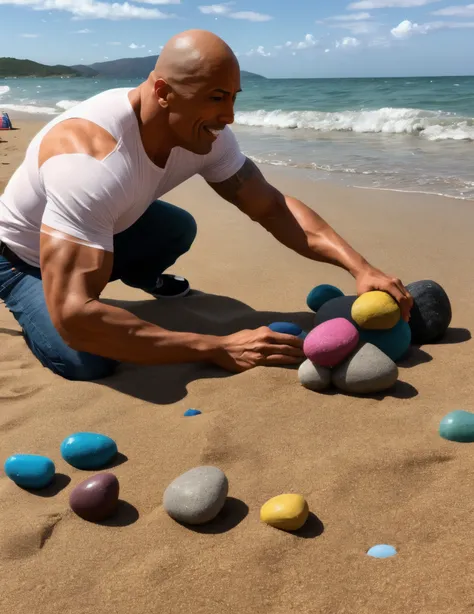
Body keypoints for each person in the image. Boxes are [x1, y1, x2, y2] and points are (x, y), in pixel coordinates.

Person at [0, 29, 412, 382]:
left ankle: (127, 275)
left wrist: (360, 267)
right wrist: (216, 346)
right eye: (217, 98)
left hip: (107, 224)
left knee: (177, 228)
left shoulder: (205, 134)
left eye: (233, 97)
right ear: (163, 92)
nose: (229, 116)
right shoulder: (90, 163)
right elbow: (75, 319)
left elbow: (271, 208)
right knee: (86, 357)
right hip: (20, 257)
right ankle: (34, 291)